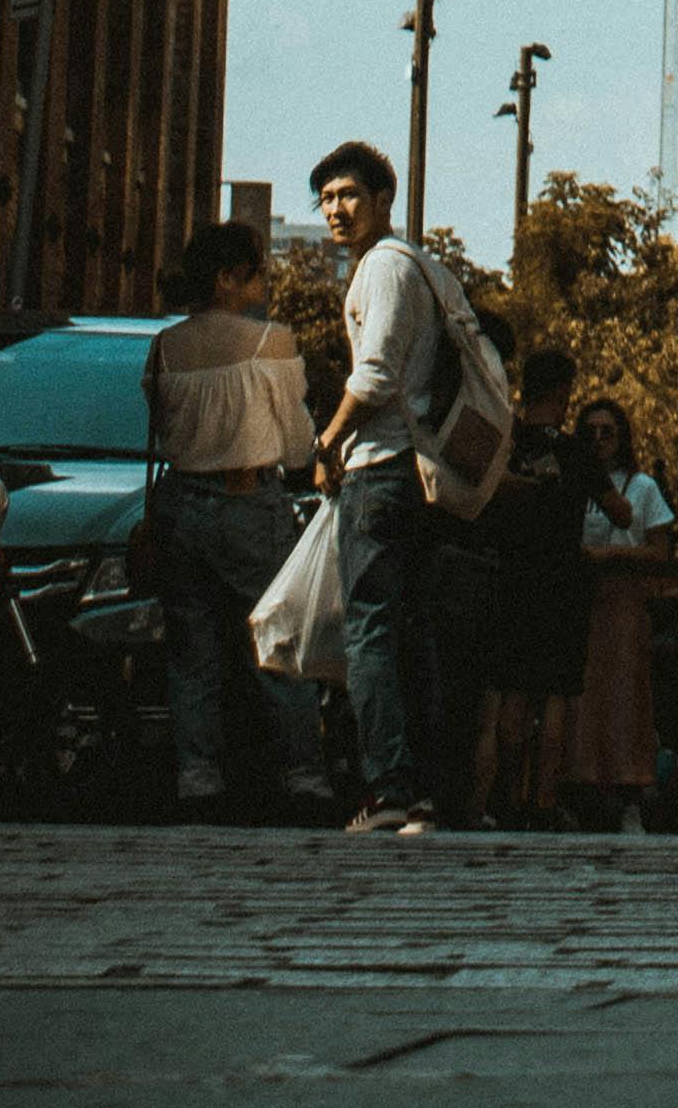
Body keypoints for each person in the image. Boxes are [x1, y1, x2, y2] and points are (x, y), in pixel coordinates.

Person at [144, 217, 330, 822]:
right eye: (255, 272)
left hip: (181, 502)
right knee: (277, 640)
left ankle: (196, 773)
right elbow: (298, 443)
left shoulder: (165, 344)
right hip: (250, 500)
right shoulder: (268, 341)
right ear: (229, 278)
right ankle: (301, 773)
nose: (263, 284)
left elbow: (161, 428)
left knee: (192, 650)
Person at [304, 138, 456, 839]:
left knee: (372, 633)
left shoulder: (385, 269)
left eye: (348, 196)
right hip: (416, 477)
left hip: (382, 474)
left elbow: (374, 378)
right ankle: (420, 794)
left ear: (382, 199)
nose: (335, 209)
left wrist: (328, 440)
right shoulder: (414, 267)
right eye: (327, 199)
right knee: (412, 636)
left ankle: (390, 788)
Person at [468, 348, 593, 826]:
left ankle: (502, 797)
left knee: (509, 695)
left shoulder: (509, 440)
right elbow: (619, 510)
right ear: (564, 391)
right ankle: (541, 801)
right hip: (562, 579)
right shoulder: (575, 449)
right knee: (556, 697)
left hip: (510, 573)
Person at [573, 396, 677, 833]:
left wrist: (611, 554)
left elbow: (661, 550)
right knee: (582, 696)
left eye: (608, 431)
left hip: (627, 602)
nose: (599, 440)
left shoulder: (642, 487)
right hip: (582, 601)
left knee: (627, 695)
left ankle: (629, 787)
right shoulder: (577, 484)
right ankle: (581, 787)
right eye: (591, 432)